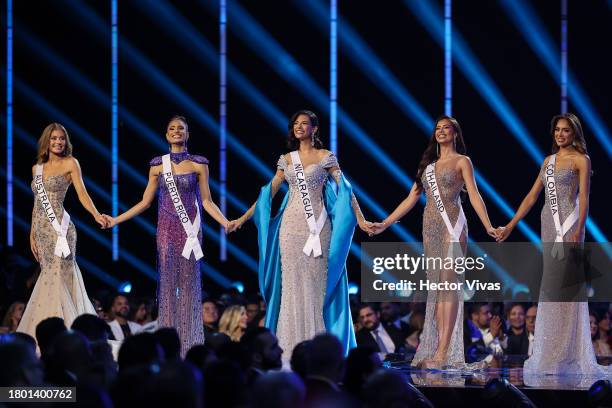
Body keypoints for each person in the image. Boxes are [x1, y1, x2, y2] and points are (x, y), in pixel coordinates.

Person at [230, 110, 371, 357]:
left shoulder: (325, 156)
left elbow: (346, 190)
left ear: (314, 129)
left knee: (317, 287)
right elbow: (267, 194)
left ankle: (318, 351)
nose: (299, 127)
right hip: (291, 229)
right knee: (292, 289)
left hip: (318, 227)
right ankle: (288, 351)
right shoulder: (287, 159)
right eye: (296, 123)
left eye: (304, 123)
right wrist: (242, 219)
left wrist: (361, 220)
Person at [371, 115, 498, 369]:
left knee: (449, 287)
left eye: (446, 128)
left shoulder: (463, 161)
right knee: (438, 291)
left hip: (454, 227)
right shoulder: (428, 166)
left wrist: (488, 225)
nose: (441, 131)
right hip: (430, 229)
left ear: (455, 134)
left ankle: (442, 352)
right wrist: (385, 223)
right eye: (438, 128)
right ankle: (442, 349)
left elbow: (473, 195)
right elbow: (411, 197)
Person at [103, 116, 232, 356]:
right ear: (166, 135)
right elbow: (144, 202)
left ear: (187, 133)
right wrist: (115, 219)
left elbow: (206, 201)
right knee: (168, 288)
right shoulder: (156, 165)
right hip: (166, 233)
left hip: (190, 233)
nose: (176, 131)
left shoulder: (198, 163)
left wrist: (225, 222)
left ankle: (189, 345)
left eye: (180, 128)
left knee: (188, 289)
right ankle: (169, 346)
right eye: (171, 128)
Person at [497, 113, 610, 376]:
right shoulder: (548, 162)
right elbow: (532, 196)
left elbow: (584, 199)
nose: (560, 135)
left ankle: (566, 353)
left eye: (566, 131)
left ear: (574, 134)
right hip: (548, 225)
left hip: (569, 227)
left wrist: (579, 231)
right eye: (557, 130)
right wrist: (511, 224)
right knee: (551, 286)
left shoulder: (582, 160)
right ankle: (551, 352)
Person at [18, 123, 103, 338]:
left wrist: (96, 214)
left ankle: (67, 332)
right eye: (54, 138)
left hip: (61, 231)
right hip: (42, 232)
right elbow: (37, 204)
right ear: (46, 142)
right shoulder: (36, 169)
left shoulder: (71, 163)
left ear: (66, 142)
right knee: (48, 277)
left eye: (61, 139)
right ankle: (48, 331)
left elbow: (83, 194)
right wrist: (32, 233)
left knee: (60, 278)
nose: (58, 142)